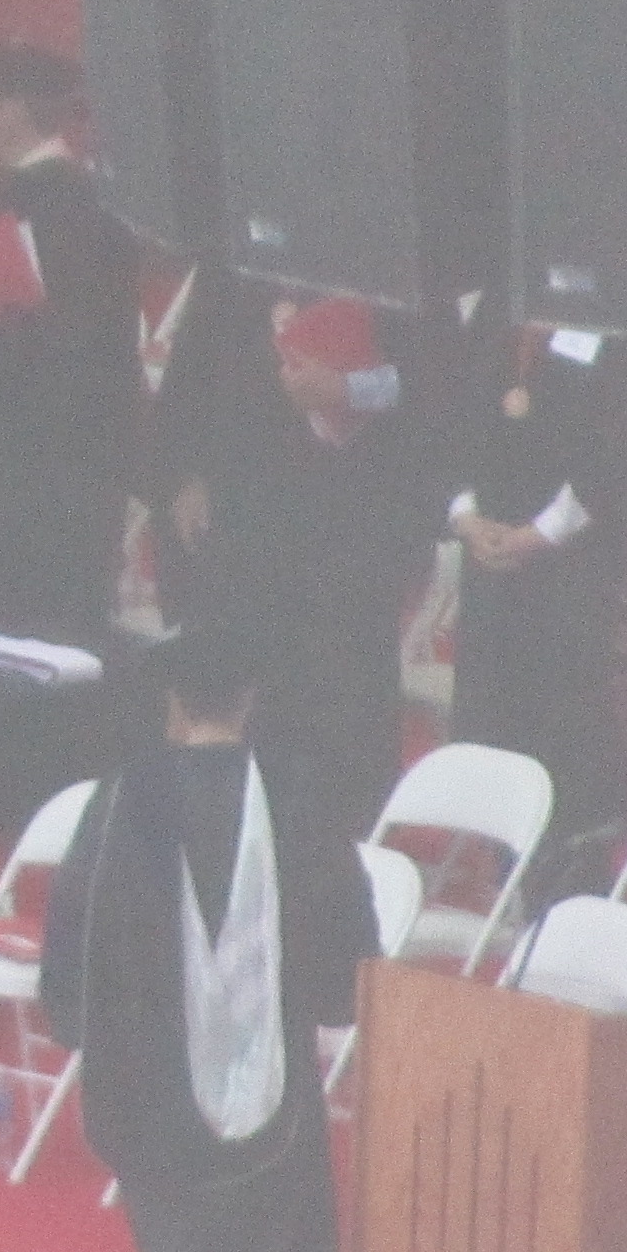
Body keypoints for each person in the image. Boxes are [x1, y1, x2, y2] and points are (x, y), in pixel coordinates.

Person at [37, 629, 373, 1252]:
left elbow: (79, 900)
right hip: (270, 1027)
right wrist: (341, 990)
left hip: (154, 1026)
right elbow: (338, 894)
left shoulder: (134, 790)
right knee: (254, 1169)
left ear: (173, 705)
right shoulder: (290, 790)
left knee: (176, 1166)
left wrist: (72, 1005)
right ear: (249, 702)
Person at [147, 275, 440, 847]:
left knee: (343, 686)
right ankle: (239, 824)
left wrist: (348, 392)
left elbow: (431, 386)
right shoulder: (235, 269)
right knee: (252, 675)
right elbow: (192, 383)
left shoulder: (389, 263)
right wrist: (184, 476)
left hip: (354, 522)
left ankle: (343, 843)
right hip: (247, 515)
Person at [0, 41, 145, 638]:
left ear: (11, 111)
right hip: (35, 457)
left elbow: (84, 343)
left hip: (52, 460)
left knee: (38, 629)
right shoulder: (68, 202)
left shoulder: (69, 205)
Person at [441, 323, 627, 844]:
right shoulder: (502, 309)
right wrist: (466, 514)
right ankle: (504, 878)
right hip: (494, 573)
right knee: (495, 739)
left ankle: (566, 890)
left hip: (581, 580)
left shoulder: (626, 324)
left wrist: (541, 533)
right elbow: (449, 415)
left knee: (570, 756)